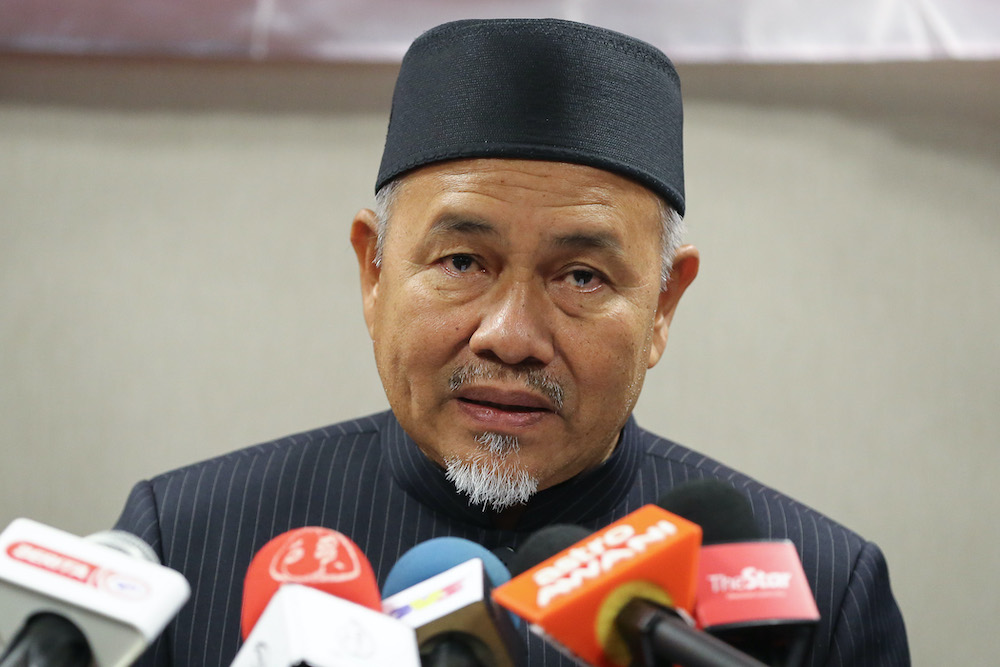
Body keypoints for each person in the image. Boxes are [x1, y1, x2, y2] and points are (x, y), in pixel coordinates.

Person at [114, 17, 909, 666]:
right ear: (374, 270)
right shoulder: (184, 544)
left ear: (664, 304)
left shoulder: (821, 591)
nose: (512, 336)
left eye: (582, 277)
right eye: (463, 261)